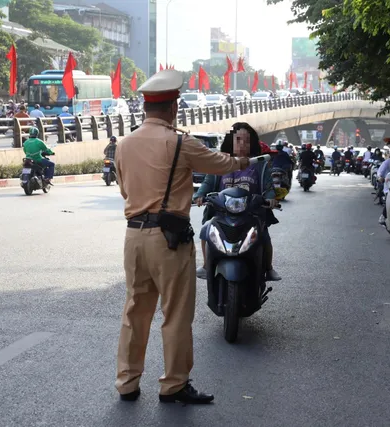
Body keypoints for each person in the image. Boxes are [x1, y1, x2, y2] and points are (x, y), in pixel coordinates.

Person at [113, 69, 250, 405]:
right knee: (175, 314)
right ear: (174, 107)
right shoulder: (180, 142)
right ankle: (173, 384)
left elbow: (124, 189)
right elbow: (220, 164)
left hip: (134, 237)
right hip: (169, 239)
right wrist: (242, 160)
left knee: (135, 310)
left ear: (146, 107)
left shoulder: (124, 144)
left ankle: (127, 383)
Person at [194, 122, 281, 282]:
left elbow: (268, 186)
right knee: (206, 231)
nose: (243, 144)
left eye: (247, 140)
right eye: (238, 139)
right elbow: (208, 181)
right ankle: (207, 265)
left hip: (251, 213)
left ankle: (268, 268)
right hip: (222, 213)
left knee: (263, 235)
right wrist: (200, 194)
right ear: (230, 142)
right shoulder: (220, 161)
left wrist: (270, 198)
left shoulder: (260, 164)